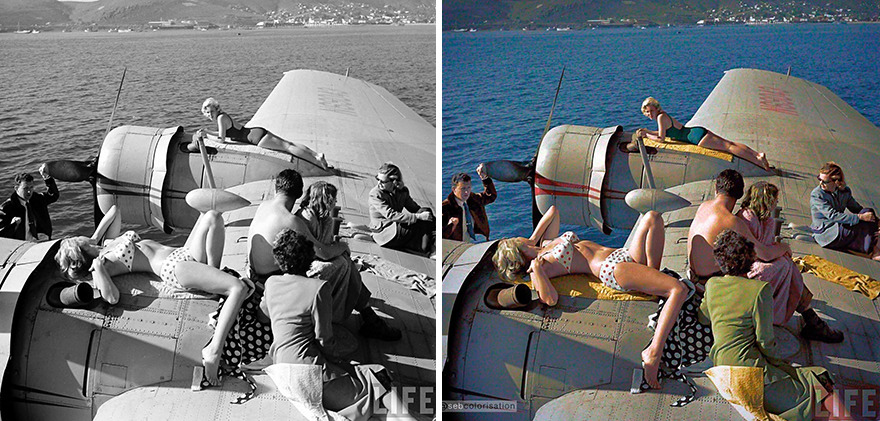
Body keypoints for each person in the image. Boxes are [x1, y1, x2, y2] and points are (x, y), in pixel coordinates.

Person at [492, 205, 687, 389]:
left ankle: (652, 285)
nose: (518, 236)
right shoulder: (539, 268)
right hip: (611, 269)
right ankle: (653, 352)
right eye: (516, 239)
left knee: (653, 217)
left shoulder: (544, 244)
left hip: (622, 254)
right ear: (516, 249)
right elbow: (549, 299)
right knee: (678, 289)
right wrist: (536, 269)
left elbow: (553, 212)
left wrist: (532, 240)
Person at [54, 205, 251, 385]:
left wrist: (94, 238)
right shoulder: (101, 266)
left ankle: (213, 282)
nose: (79, 236)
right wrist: (98, 267)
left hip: (181, 253)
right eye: (77, 240)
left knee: (213, 216)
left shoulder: (106, 244)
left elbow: (115, 211)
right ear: (80, 251)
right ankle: (213, 351)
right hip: (172, 267)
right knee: (238, 288)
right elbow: (112, 297)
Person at [262, 229, 417, 421]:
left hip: (282, 371)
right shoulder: (317, 288)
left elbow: (265, 313)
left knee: (372, 402)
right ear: (310, 257)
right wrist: (342, 364)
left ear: (279, 259)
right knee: (378, 375)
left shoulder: (271, 283)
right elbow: (324, 339)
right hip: (310, 375)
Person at [248, 170, 400, 341]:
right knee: (342, 264)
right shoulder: (291, 220)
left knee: (344, 263)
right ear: (298, 194)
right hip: (272, 282)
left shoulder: (263, 206)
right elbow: (324, 253)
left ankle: (368, 315)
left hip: (255, 276)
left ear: (277, 188)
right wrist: (343, 246)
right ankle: (361, 315)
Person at [702, 230, 834, 420]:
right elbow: (765, 341)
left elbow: (704, 317)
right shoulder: (759, 290)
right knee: (820, 385)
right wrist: (781, 366)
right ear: (750, 259)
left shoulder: (712, 284)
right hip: (750, 374)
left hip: (721, 371)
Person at [737, 182, 843, 342]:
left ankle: (812, 320)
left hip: (754, 263)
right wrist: (784, 248)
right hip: (744, 270)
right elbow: (763, 254)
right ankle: (811, 319)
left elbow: (767, 247)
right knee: (785, 265)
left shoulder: (764, 219)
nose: (776, 203)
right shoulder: (748, 218)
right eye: (774, 200)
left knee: (787, 265)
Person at [687, 169, 791, 285]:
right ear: (740, 194)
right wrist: (784, 247)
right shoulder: (732, 221)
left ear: (716, 188)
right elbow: (765, 254)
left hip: (693, 275)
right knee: (782, 264)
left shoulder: (703, 206)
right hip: (709, 281)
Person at [186, 97, 329, 170]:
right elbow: (223, 133)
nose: (209, 114)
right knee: (289, 143)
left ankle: (317, 162)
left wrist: (207, 135)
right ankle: (316, 155)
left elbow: (221, 139)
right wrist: (208, 131)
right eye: (207, 113)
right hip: (255, 132)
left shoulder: (220, 118)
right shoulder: (223, 116)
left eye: (211, 111)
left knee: (288, 148)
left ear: (216, 109)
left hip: (256, 138)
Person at [635, 97, 771, 171]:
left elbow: (661, 139)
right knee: (730, 143)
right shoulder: (663, 116)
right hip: (696, 131)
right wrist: (648, 131)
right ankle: (757, 155)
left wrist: (647, 136)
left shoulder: (660, 117)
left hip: (696, 138)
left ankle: (758, 162)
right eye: (647, 112)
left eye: (651, 111)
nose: (649, 114)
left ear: (656, 109)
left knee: (728, 148)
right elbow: (663, 132)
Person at [810, 161, 880, 260]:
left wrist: (875, 220)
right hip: (827, 232)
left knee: (868, 211)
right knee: (858, 226)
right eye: (819, 179)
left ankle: (875, 243)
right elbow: (833, 216)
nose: (821, 183)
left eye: (825, 181)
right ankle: (875, 250)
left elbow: (856, 208)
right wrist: (860, 217)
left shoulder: (844, 191)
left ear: (836, 182)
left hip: (838, 226)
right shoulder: (817, 195)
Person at [368, 162, 434, 254]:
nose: (379, 183)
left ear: (394, 182)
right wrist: (418, 217)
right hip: (386, 232)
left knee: (426, 211)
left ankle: (431, 242)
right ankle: (427, 247)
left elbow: (414, 208)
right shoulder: (375, 194)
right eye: (377, 179)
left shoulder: (402, 191)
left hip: (395, 225)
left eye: (383, 181)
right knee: (418, 222)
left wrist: (424, 215)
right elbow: (391, 215)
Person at [0, 165, 59, 241]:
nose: (29, 191)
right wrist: (13, 225)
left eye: (31, 187)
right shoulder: (7, 208)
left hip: (41, 242)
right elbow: (1, 235)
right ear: (16, 188)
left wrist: (47, 177)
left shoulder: (36, 199)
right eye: (25, 188)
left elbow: (53, 196)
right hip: (22, 245)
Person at [442, 163, 497, 242]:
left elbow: (490, 196)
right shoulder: (445, 208)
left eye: (468, 187)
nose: (466, 192)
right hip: (460, 246)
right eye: (463, 188)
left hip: (479, 241)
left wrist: (484, 178)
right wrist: (451, 225)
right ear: (454, 189)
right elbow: (441, 237)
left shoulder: (473, 199)